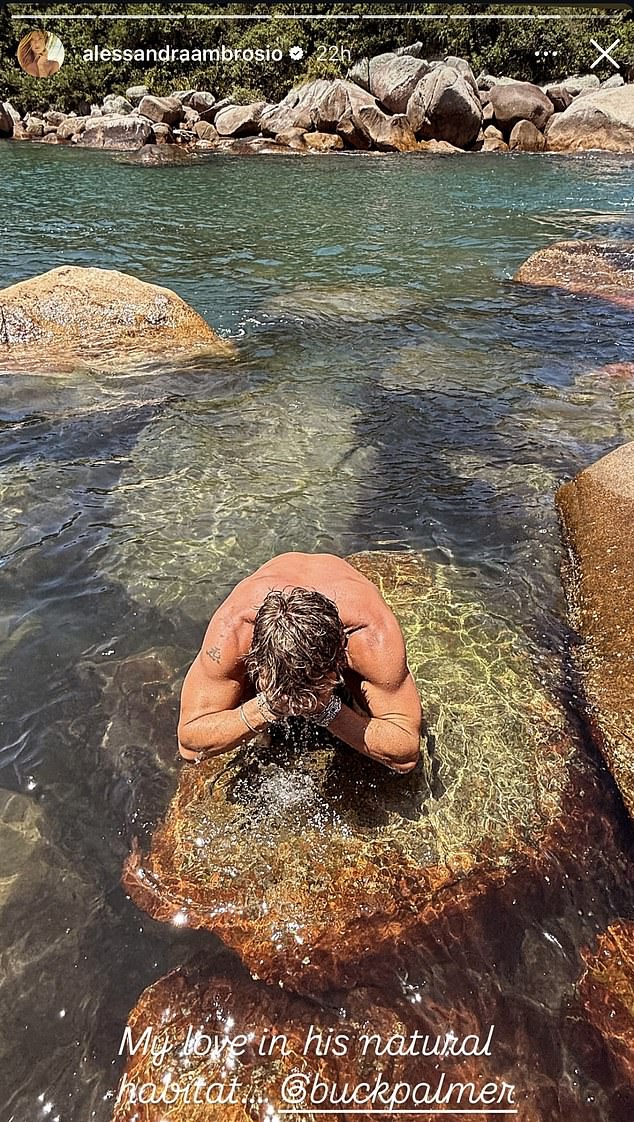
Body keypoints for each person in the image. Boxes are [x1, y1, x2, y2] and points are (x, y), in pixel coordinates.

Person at [177, 552, 422, 773]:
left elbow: (406, 753)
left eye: (316, 685)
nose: (298, 706)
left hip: (341, 603)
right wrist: (267, 707)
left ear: (338, 660)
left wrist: (327, 710)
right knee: (240, 691)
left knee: (363, 700)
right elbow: (189, 745)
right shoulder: (232, 633)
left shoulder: (369, 638)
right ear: (257, 659)